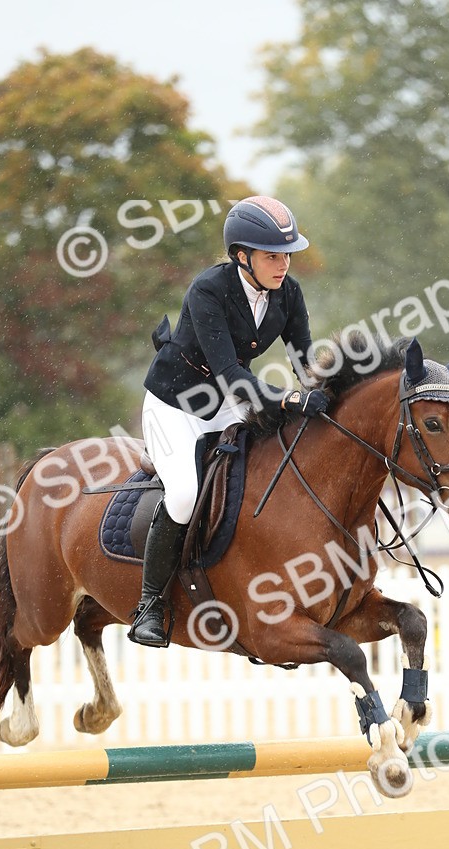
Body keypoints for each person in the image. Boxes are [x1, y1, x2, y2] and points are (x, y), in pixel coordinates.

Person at [129, 195, 329, 647]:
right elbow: (231, 374)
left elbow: (305, 360)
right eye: (271, 256)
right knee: (183, 494)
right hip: (176, 404)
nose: (283, 265)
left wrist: (326, 392)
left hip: (227, 402)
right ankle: (150, 605)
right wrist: (291, 399)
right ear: (242, 256)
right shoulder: (208, 290)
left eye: (286, 255)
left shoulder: (288, 293)